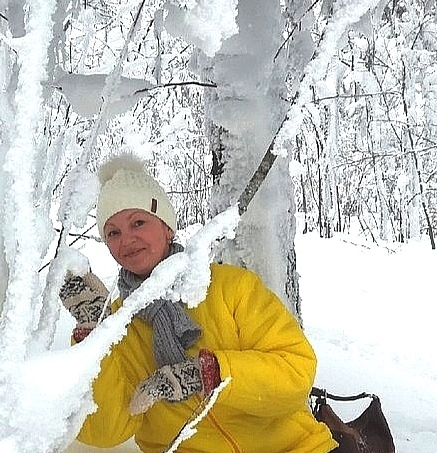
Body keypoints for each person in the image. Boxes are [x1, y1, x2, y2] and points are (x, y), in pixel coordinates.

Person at [60, 153, 336, 453]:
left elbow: (296, 374)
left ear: (167, 226)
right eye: (113, 232)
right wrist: (93, 334)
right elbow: (106, 431)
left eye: (138, 222)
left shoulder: (231, 287)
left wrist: (209, 374)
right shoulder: (116, 325)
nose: (126, 239)